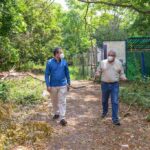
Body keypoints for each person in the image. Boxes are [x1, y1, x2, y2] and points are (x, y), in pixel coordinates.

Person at [95, 50, 127, 126]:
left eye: (112, 55)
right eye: (109, 55)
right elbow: (98, 71)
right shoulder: (103, 62)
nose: (110, 56)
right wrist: (97, 74)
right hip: (104, 84)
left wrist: (124, 77)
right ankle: (104, 112)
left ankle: (115, 119)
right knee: (104, 100)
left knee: (115, 101)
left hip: (114, 85)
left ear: (115, 56)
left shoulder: (118, 63)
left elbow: (121, 73)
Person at [45, 47, 70, 126]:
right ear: (56, 54)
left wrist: (69, 82)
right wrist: (48, 85)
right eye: (60, 52)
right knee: (54, 101)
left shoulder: (64, 62)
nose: (62, 54)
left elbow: (67, 73)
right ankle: (56, 113)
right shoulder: (49, 62)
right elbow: (46, 74)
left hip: (63, 85)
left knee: (62, 101)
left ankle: (62, 118)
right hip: (53, 85)